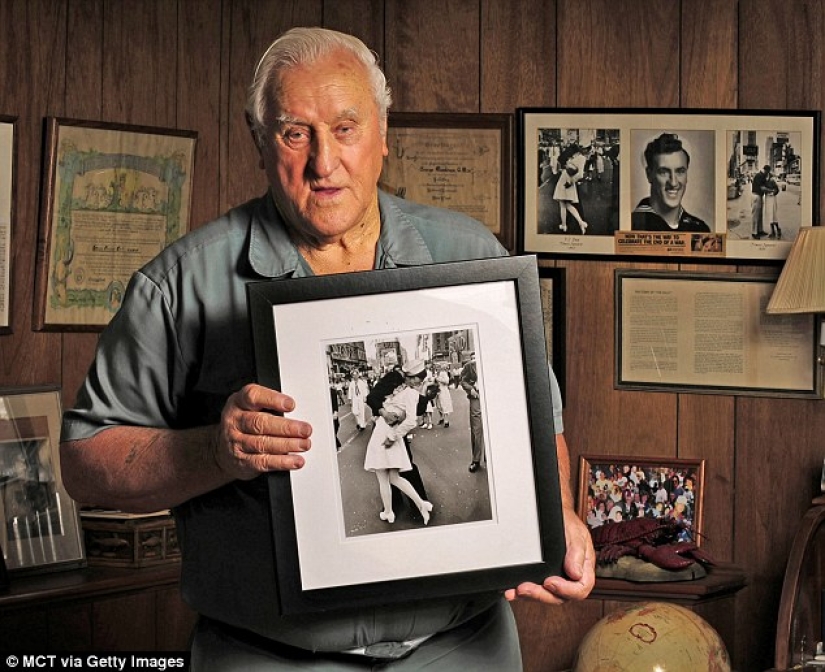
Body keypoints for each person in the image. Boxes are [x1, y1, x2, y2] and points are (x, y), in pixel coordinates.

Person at [59, 26, 594, 671]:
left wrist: (558, 511)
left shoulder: (472, 256)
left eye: (345, 128)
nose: (324, 161)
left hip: (461, 648)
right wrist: (215, 450)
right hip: (267, 655)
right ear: (260, 142)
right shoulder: (180, 286)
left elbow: (543, 424)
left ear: (383, 133)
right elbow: (85, 463)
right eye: (295, 133)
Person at [363, 359, 434, 525]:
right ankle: (401, 506)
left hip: (391, 432)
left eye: (419, 381)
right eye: (414, 379)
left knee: (394, 471)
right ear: (408, 375)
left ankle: (406, 507)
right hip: (387, 428)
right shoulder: (393, 378)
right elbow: (372, 397)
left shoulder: (411, 390)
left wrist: (401, 415)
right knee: (394, 473)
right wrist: (384, 412)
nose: (415, 383)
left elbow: (417, 409)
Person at [631, 132, 710, 232]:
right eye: (663, 172)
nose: (673, 183)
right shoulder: (632, 225)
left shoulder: (700, 229)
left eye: (680, 171)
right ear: (649, 174)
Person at [553, 143, 589, 234]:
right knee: (566, 204)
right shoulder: (579, 157)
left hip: (566, 180)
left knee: (563, 204)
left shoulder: (580, 158)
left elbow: (580, 174)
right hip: (567, 179)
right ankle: (579, 223)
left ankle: (565, 225)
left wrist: (570, 182)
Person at [459, 352, 485, 473]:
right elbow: (463, 380)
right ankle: (476, 460)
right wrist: (470, 389)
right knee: (476, 429)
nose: (475, 360)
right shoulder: (469, 366)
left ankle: (491, 457)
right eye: (473, 358)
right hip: (477, 397)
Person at [750, 164, 771, 239]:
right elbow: (762, 188)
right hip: (756, 196)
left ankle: (760, 230)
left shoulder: (762, 176)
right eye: (768, 172)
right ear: (766, 170)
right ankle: (754, 232)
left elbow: (765, 185)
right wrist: (771, 190)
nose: (768, 173)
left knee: (760, 215)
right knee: (755, 215)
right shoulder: (759, 176)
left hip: (759, 196)